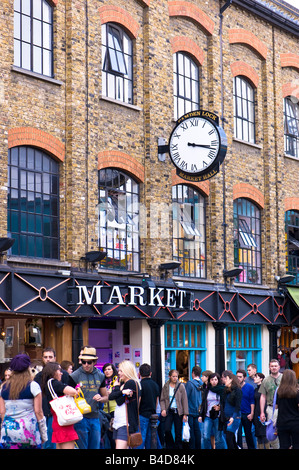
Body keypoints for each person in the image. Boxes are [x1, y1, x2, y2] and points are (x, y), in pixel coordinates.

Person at [0, 354, 47, 449]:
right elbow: (38, 412)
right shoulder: (33, 386)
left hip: (8, 432)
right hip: (29, 432)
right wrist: (43, 434)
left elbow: (2, 412)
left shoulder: (3, 387)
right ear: (28, 368)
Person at [68, 346, 107, 449]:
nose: (86, 365)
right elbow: (67, 398)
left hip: (95, 417)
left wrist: (101, 398)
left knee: (95, 447)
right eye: (83, 361)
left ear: (94, 362)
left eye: (89, 362)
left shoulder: (100, 376)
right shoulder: (74, 376)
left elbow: (106, 397)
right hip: (80, 418)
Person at [34, 347, 69, 449]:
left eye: (50, 357)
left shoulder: (63, 374)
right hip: (44, 412)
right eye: (45, 357)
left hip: (60, 413)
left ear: (55, 358)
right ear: (42, 359)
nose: (48, 359)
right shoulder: (39, 376)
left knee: (59, 443)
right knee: (46, 443)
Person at [42, 362, 79, 449]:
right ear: (53, 371)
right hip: (64, 423)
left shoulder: (49, 384)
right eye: (59, 370)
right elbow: (73, 391)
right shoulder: (54, 382)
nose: (61, 373)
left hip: (59, 421)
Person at [109, 360, 141, 449]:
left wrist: (117, 388)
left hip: (125, 423)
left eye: (121, 371)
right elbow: (111, 397)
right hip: (119, 422)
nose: (119, 373)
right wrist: (121, 391)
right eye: (119, 371)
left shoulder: (131, 383)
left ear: (127, 371)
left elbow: (119, 401)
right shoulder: (123, 384)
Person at [160, 369, 188, 449]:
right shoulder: (166, 386)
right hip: (169, 411)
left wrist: (185, 414)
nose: (175, 378)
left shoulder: (181, 386)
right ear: (169, 376)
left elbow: (185, 400)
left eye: (176, 376)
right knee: (167, 429)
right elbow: (162, 399)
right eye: (173, 376)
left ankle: (178, 447)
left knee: (178, 431)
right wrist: (163, 409)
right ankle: (170, 446)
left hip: (179, 411)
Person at [199, 372, 227, 449]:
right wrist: (201, 415)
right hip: (207, 415)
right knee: (205, 436)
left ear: (218, 380)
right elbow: (203, 402)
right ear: (209, 381)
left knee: (218, 438)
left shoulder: (222, 390)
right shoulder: (207, 389)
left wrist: (220, 407)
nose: (214, 381)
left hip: (218, 416)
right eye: (212, 379)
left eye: (216, 379)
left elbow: (225, 402)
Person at [259, 358, 282, 449]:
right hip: (270, 408)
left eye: (275, 366)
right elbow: (263, 396)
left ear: (279, 367)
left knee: (283, 429)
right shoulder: (266, 380)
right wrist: (262, 412)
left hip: (283, 407)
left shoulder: (284, 378)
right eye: (272, 366)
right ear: (269, 367)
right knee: (272, 431)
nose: (274, 368)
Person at [137, 363, 160, 449]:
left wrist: (136, 412)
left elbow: (139, 400)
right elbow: (157, 401)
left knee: (140, 439)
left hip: (142, 414)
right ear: (150, 373)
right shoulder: (155, 385)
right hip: (152, 416)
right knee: (151, 440)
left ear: (139, 374)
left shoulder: (140, 385)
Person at [276, 369, 299, 449]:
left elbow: (276, 406)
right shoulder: (297, 392)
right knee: (297, 445)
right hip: (295, 422)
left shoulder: (279, 392)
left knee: (283, 445)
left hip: (282, 422)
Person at [222, 370, 242, 449]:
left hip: (234, 417)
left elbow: (238, 406)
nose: (224, 380)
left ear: (231, 379)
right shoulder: (225, 390)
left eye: (226, 379)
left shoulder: (237, 391)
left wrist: (233, 417)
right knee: (231, 439)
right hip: (226, 417)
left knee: (228, 437)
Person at [236, 369, 255, 449]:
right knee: (238, 434)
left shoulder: (249, 387)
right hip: (237, 414)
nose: (238, 378)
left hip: (247, 413)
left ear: (244, 377)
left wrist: (252, 413)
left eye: (240, 377)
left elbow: (252, 401)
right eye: (237, 377)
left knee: (248, 434)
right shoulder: (235, 387)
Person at [185, 365, 202, 449]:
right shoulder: (203, 384)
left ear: (193, 373)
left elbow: (186, 398)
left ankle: (192, 447)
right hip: (199, 411)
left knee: (191, 430)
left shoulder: (189, 384)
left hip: (190, 410)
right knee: (197, 430)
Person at [102, 362, 118, 449]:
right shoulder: (102, 381)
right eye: (105, 370)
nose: (107, 371)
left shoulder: (116, 380)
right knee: (105, 434)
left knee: (113, 433)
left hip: (113, 408)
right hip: (104, 409)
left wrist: (112, 393)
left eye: (109, 369)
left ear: (113, 370)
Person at [253, 373, 269, 449]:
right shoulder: (256, 389)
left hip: (264, 412)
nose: (254, 378)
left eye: (256, 377)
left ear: (261, 379)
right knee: (258, 434)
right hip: (257, 412)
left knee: (264, 433)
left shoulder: (265, 389)